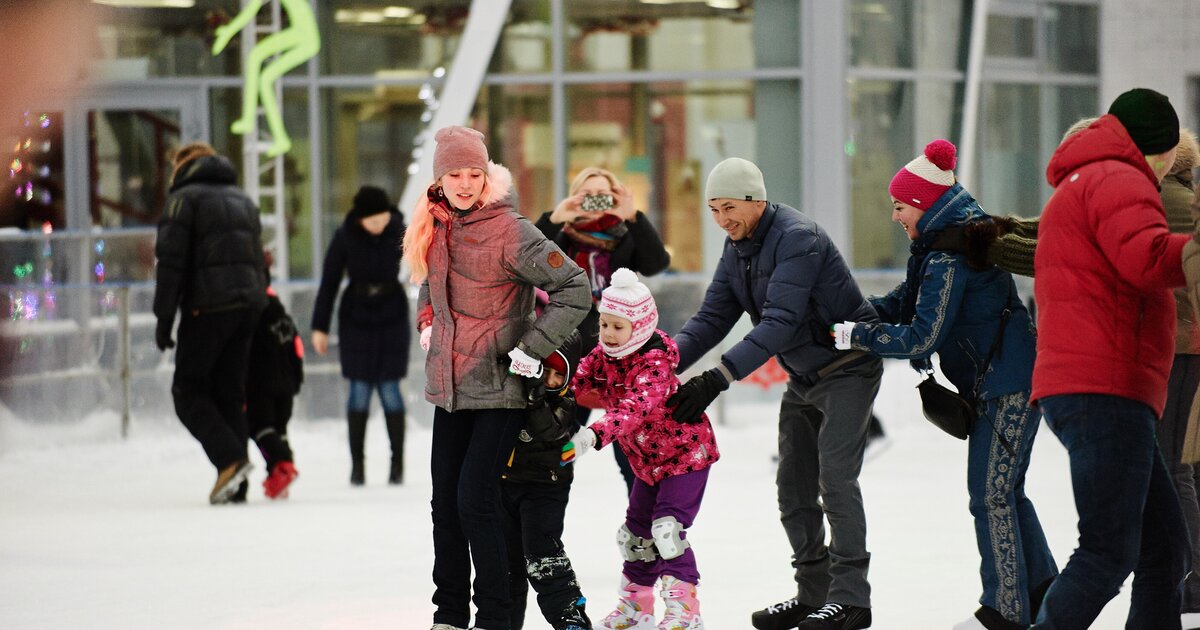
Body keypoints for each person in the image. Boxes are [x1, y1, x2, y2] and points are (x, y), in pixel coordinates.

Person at [831, 139, 1058, 630]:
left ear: (925, 203)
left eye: (899, 206)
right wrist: (855, 312)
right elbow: (909, 300)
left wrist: (857, 335)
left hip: (1008, 384)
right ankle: (1040, 592)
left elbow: (921, 336)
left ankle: (1006, 610)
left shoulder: (949, 254)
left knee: (991, 496)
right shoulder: (940, 244)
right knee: (1006, 492)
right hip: (1002, 381)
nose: (894, 215)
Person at [669, 157, 882, 630]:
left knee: (835, 481)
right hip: (804, 375)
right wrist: (662, 367)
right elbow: (711, 319)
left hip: (848, 368)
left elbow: (781, 322)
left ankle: (851, 600)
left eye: (729, 207)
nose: (722, 220)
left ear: (756, 200)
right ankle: (813, 595)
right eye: (713, 209)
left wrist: (718, 377)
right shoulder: (738, 247)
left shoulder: (797, 238)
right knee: (793, 485)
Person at [403, 125, 590, 630]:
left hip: (500, 391)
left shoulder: (511, 230)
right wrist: (427, 323)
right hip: (450, 389)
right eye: (454, 173)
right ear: (440, 178)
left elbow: (575, 288)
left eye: (474, 173)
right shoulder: (437, 223)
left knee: (475, 501)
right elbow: (428, 282)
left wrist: (533, 349)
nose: (464, 183)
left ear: (488, 177)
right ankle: (449, 615)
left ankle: (496, 617)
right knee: (445, 503)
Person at [1031, 88, 1194, 629]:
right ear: (1167, 148)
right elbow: (1145, 259)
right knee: (1107, 552)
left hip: (1096, 385)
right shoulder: (1119, 179)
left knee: (1165, 549)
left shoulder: (1086, 180)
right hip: (1106, 386)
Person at [567, 268, 719, 630]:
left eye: (617, 327)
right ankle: (636, 607)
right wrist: (545, 384)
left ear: (640, 326)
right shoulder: (604, 355)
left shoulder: (654, 363)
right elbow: (575, 381)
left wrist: (593, 435)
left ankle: (685, 610)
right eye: (604, 325)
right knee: (635, 534)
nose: (607, 334)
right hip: (647, 462)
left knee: (666, 530)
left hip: (685, 456)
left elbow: (635, 407)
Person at [535, 167, 671, 494]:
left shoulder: (625, 233)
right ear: (575, 196)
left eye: (604, 195)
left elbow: (656, 263)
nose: (596, 203)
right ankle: (547, 534)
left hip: (620, 355)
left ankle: (641, 525)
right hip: (572, 353)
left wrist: (634, 216)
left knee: (631, 451)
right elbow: (531, 264)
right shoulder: (563, 233)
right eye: (588, 195)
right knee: (558, 448)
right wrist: (555, 217)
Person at [153, 141, 267, 505]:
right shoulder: (242, 199)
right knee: (228, 393)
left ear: (182, 167)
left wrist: (164, 317)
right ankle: (237, 482)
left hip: (207, 308)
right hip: (247, 307)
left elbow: (171, 263)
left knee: (187, 391)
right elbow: (258, 260)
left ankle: (230, 460)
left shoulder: (183, 200)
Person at [311, 185, 410, 486]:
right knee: (359, 392)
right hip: (356, 317)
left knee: (391, 391)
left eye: (382, 219)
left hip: (392, 315)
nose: (379, 225)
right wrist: (320, 327)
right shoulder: (345, 236)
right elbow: (329, 282)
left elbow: (425, 265)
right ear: (360, 219)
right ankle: (358, 466)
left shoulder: (400, 231)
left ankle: (397, 465)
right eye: (373, 221)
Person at [500, 330, 591, 630]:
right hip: (507, 483)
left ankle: (570, 618)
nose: (551, 380)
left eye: (557, 375)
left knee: (542, 555)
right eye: (545, 371)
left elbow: (547, 430)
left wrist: (534, 392)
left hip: (545, 487)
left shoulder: (566, 402)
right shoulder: (519, 387)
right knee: (506, 564)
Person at [245, 254, 304, 500]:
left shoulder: (252, 314)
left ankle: (282, 464)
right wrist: (296, 379)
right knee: (278, 429)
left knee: (260, 427)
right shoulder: (281, 313)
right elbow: (297, 347)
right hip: (287, 386)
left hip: (262, 385)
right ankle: (278, 477)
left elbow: (246, 352)